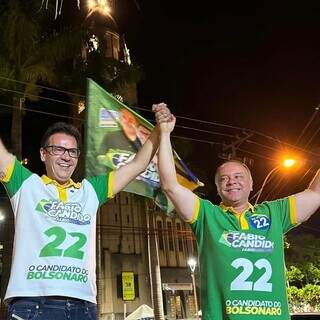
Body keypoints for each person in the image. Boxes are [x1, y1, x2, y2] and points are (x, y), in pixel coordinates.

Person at [0, 103, 171, 320]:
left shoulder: (90, 191)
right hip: (33, 303)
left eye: (72, 151)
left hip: (83, 306)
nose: (66, 156)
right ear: (43, 154)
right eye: (58, 150)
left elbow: (138, 164)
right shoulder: (26, 185)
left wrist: (160, 129)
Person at [156, 111, 320, 320]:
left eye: (238, 176)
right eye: (224, 179)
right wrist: (165, 134)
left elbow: (315, 193)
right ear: (217, 188)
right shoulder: (206, 215)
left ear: (252, 185)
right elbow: (170, 186)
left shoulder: (275, 213)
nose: (231, 181)